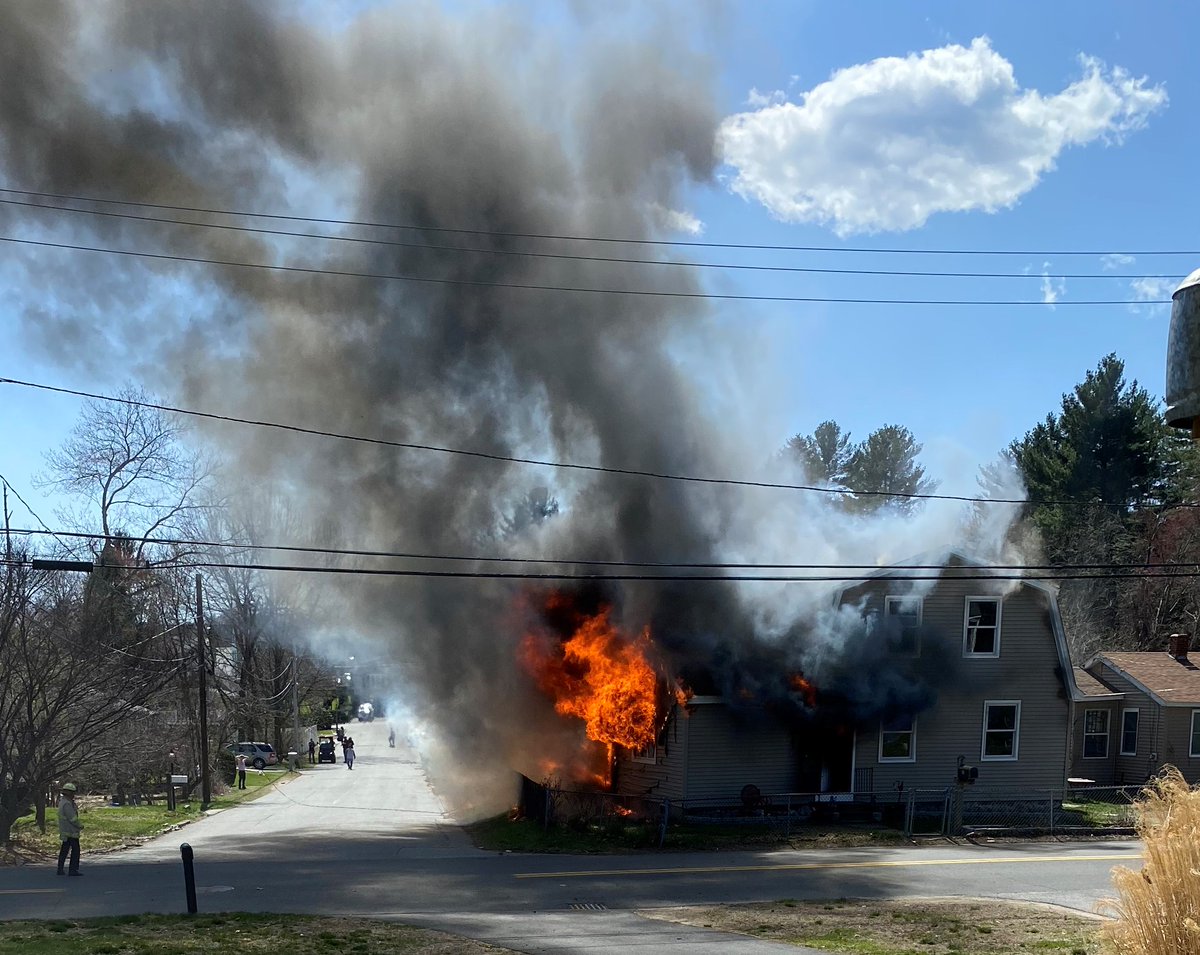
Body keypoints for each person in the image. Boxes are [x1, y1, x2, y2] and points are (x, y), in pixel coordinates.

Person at [56, 783, 82, 876]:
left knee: (64, 850)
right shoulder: (67, 804)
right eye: (72, 793)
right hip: (71, 831)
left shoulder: (63, 802)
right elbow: (72, 818)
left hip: (66, 830)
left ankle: (60, 869)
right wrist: (80, 825)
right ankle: (73, 870)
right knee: (75, 851)